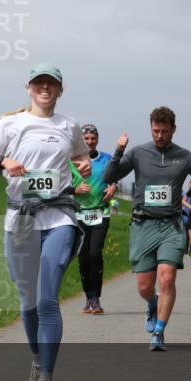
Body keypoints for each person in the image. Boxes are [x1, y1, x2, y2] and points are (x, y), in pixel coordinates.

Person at [0, 65, 90, 381]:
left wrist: (83, 163)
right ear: (29, 88)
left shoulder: (69, 125)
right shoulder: (10, 124)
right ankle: (37, 359)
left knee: (47, 299)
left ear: (60, 90)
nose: (45, 88)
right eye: (39, 83)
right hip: (21, 220)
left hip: (60, 217)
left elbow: (81, 154)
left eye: (51, 83)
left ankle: (46, 379)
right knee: (28, 301)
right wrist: (2, 161)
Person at [102, 106, 191, 350]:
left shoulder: (184, 157)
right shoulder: (138, 153)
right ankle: (152, 304)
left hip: (171, 225)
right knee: (145, 286)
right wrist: (118, 150)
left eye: (164, 131)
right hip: (143, 224)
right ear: (151, 128)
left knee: (167, 278)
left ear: (174, 129)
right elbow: (109, 176)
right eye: (156, 131)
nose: (160, 136)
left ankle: (159, 332)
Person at [71, 124, 116, 314]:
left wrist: (113, 186)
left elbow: (114, 178)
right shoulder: (71, 160)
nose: (90, 142)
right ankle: (88, 296)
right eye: (86, 139)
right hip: (79, 214)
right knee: (83, 257)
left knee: (95, 254)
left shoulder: (106, 159)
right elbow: (62, 185)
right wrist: (75, 189)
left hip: (101, 213)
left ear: (97, 139)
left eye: (93, 138)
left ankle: (96, 298)